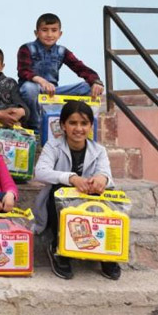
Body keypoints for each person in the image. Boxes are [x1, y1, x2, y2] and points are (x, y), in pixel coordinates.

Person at [33, 101, 117, 280]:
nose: (78, 128)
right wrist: (71, 178)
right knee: (59, 189)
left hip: (88, 204)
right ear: (63, 125)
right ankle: (58, 247)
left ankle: (105, 252)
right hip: (59, 207)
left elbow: (107, 175)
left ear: (91, 126)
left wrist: (102, 178)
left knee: (102, 192)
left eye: (84, 123)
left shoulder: (99, 150)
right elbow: (40, 172)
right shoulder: (53, 146)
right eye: (72, 123)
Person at [18, 13, 104, 130]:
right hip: (33, 91)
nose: (49, 34)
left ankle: (73, 124)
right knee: (29, 88)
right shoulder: (27, 48)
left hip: (52, 92)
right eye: (44, 30)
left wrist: (96, 81)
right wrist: (41, 81)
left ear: (60, 34)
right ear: (36, 32)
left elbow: (80, 67)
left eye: (54, 30)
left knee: (88, 87)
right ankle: (35, 127)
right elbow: (24, 71)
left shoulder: (61, 51)